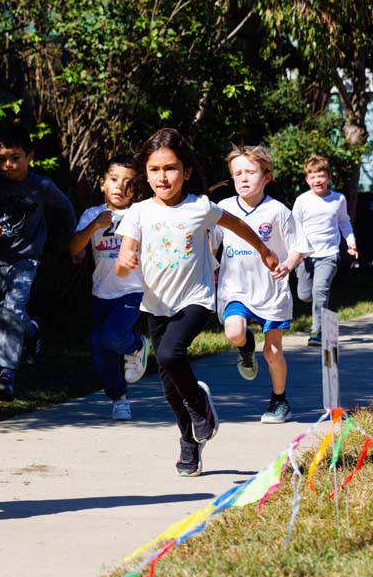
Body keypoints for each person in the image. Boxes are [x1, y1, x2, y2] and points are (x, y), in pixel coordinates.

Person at [114, 128, 282, 477]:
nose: (163, 177)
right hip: (156, 304)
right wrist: (125, 262)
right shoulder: (138, 213)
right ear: (145, 173)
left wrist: (265, 250)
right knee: (167, 385)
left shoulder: (199, 207)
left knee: (169, 354)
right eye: (155, 170)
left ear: (186, 171)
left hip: (196, 299)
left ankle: (200, 405)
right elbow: (123, 256)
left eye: (171, 168)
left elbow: (238, 225)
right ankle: (190, 441)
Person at [0, 125, 75, 401]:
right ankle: (31, 329)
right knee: (9, 312)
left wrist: (73, 243)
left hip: (25, 259)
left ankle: (6, 375)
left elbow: (65, 209)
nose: (8, 164)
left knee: (8, 310)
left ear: (30, 156)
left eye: (15, 157)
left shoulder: (41, 186)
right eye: (3, 158)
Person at [212, 145, 310, 423]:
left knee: (273, 351)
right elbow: (211, 243)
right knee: (234, 332)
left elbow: (298, 246)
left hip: (271, 292)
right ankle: (245, 347)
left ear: (267, 176)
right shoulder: (224, 209)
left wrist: (288, 265)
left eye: (250, 172)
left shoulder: (278, 211)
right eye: (237, 173)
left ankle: (279, 401)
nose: (243, 178)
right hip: (236, 289)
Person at [69, 154, 149, 420]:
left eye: (128, 183)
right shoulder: (93, 214)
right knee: (99, 348)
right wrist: (95, 225)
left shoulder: (140, 213)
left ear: (135, 189)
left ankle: (137, 346)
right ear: (102, 183)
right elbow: (74, 247)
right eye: (114, 180)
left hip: (133, 289)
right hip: (101, 292)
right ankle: (119, 399)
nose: (120, 187)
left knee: (112, 335)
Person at [290, 154, 359, 346]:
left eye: (321, 176)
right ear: (307, 179)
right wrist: (294, 252)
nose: (317, 180)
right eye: (312, 177)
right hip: (305, 256)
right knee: (305, 295)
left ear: (328, 177)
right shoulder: (302, 201)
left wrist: (351, 242)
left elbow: (344, 222)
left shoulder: (338, 199)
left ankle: (316, 332)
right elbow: (293, 226)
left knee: (320, 290)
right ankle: (322, 304)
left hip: (329, 254)